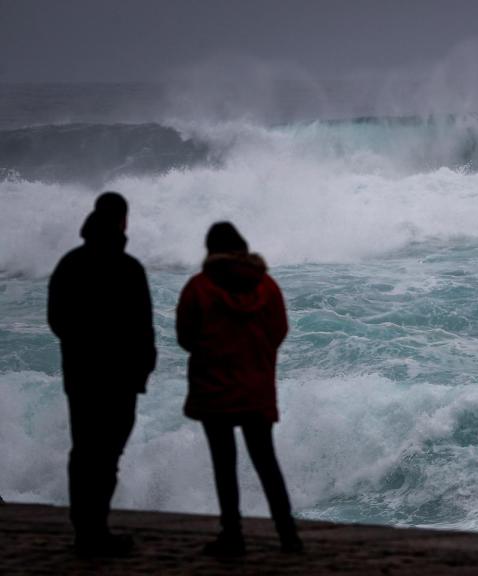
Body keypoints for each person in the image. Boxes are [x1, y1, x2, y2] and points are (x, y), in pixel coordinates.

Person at [176, 222, 302, 556]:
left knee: (224, 464)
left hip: (214, 388)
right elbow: (280, 330)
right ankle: (288, 535)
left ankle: (232, 535)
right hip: (256, 387)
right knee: (266, 461)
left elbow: (185, 338)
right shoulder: (267, 286)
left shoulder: (199, 287)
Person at [47, 191, 157, 556]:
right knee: (107, 454)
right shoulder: (128, 269)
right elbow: (144, 330)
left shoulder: (70, 264)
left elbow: (57, 320)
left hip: (80, 375)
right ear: (123, 222)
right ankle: (95, 530)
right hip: (119, 378)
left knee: (85, 452)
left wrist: (83, 346)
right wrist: (142, 370)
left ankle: (86, 529)